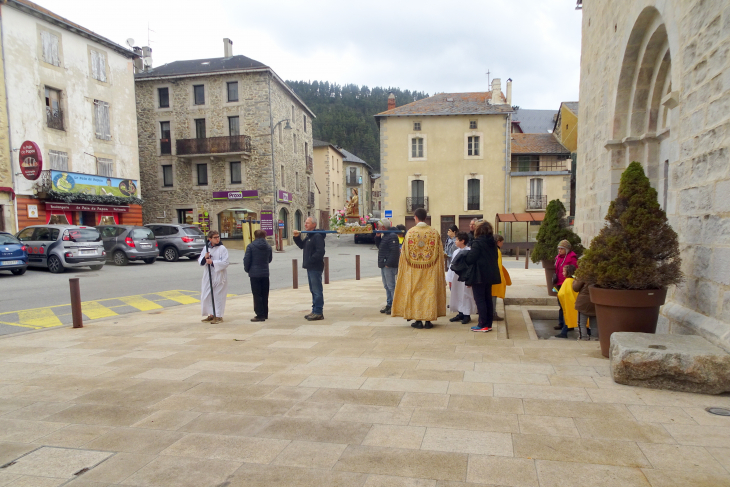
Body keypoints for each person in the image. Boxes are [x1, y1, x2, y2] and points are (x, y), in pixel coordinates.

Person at [391, 208, 447, 329]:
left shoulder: (410, 233)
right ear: (426, 218)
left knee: (415, 293)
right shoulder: (434, 232)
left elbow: (404, 255)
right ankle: (428, 320)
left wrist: (403, 272)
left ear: (415, 217)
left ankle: (417, 320)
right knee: (429, 293)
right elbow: (440, 253)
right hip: (430, 271)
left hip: (413, 270)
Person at [465, 221, 501, 332]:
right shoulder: (492, 243)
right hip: (490, 275)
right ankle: (488, 324)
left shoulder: (477, 243)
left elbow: (471, 258)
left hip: (479, 275)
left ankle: (482, 324)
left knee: (480, 300)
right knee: (487, 299)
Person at [293, 216, 326, 321]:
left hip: (315, 266)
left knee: (317, 290)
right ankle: (315, 310)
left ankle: (318, 312)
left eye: (307, 223)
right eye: (305, 222)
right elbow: (303, 246)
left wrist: (310, 260)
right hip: (310, 266)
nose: (305, 224)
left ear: (314, 225)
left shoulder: (317, 236)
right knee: (313, 290)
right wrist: (297, 237)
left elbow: (320, 252)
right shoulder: (309, 235)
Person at [199, 230, 229, 324]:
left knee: (218, 295)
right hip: (209, 274)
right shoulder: (206, 248)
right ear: (210, 239)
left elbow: (225, 262)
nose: (217, 239)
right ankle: (211, 314)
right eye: (215, 237)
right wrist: (205, 258)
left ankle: (219, 316)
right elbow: (200, 261)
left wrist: (212, 262)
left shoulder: (222, 248)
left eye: (218, 237)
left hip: (219, 274)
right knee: (207, 294)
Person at [447, 232, 477, 324]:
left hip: (464, 277)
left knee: (466, 295)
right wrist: (450, 278)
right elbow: (452, 266)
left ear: (462, 241)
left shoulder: (469, 251)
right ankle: (460, 313)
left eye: (457, 240)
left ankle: (466, 314)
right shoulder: (456, 251)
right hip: (456, 277)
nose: (455, 242)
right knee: (457, 294)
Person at [243, 229, 273, 322]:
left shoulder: (251, 246)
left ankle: (259, 314)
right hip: (265, 273)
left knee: (257, 294)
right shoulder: (268, 246)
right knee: (264, 293)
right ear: (265, 236)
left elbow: (247, 260)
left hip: (254, 274)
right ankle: (265, 313)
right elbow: (269, 259)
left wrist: (247, 269)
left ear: (255, 236)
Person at [374, 219, 400, 314]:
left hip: (389, 265)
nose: (377, 228)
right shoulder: (385, 236)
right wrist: (377, 237)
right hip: (383, 264)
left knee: (391, 286)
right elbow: (380, 247)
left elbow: (394, 252)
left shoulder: (392, 236)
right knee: (386, 286)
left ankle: (395, 305)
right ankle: (389, 304)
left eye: (378, 226)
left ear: (383, 227)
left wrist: (388, 263)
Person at [553, 240, 579, 331]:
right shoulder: (558, 257)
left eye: (562, 249)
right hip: (559, 283)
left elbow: (575, 270)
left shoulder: (572, 258)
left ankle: (568, 324)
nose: (560, 250)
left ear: (567, 249)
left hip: (567, 284)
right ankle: (561, 323)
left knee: (567, 305)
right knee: (561, 304)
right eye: (559, 249)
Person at [573, 274, 599, 341]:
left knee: (581, 323)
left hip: (583, 302)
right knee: (594, 324)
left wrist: (574, 281)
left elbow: (575, 288)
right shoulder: (600, 275)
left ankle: (583, 337)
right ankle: (594, 337)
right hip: (595, 301)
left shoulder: (584, 274)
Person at [556, 264, 579, 338]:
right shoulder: (573, 280)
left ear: (568, 272)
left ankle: (564, 333)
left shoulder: (568, 281)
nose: (562, 273)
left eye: (564, 271)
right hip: (572, 302)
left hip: (569, 303)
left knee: (567, 318)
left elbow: (564, 293)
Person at [491, 235, 511, 321]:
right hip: (495, 277)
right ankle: (493, 314)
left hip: (490, 276)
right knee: (493, 296)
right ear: (498, 242)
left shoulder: (491, 249)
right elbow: (498, 266)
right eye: (502, 242)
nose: (502, 244)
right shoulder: (497, 251)